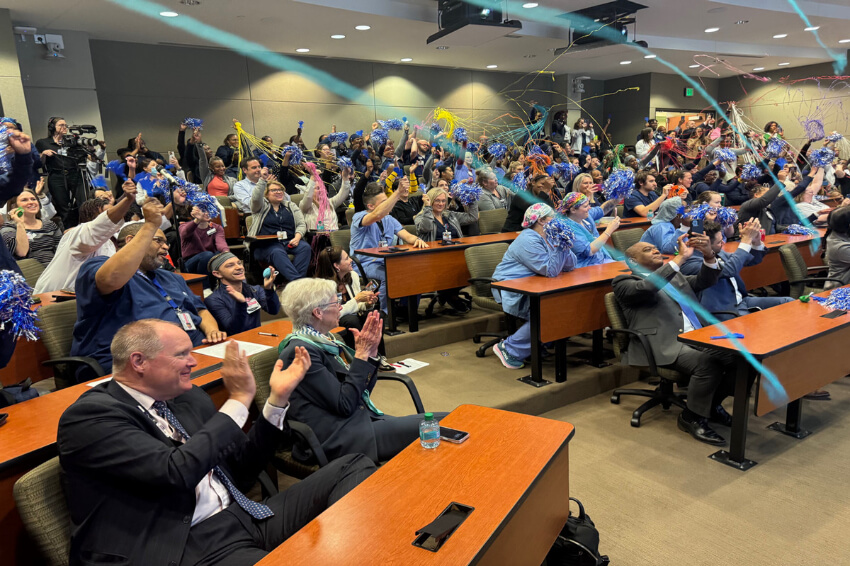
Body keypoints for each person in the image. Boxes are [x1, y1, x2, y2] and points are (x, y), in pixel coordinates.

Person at [58, 319, 375, 566]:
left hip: (244, 515)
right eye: (182, 354)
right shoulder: (90, 417)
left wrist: (277, 400)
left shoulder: (188, 398)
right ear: (138, 361)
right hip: (183, 543)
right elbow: (176, 473)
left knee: (353, 465)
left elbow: (242, 469)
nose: (193, 362)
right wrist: (238, 400)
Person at [278, 278, 444, 462]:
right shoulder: (300, 353)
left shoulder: (325, 341)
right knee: (445, 425)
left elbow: (358, 392)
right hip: (337, 438)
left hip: (357, 422)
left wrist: (370, 355)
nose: (341, 306)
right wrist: (361, 356)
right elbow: (346, 403)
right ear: (318, 312)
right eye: (336, 302)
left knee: (448, 424)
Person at [70, 199, 228, 380]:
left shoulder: (170, 277)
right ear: (131, 240)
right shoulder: (97, 266)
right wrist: (150, 225)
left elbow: (199, 309)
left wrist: (212, 332)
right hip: (135, 364)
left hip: (193, 352)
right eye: (158, 240)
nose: (166, 247)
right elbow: (111, 279)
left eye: (166, 242)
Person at [614, 235, 739, 445]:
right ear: (633, 261)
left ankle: (710, 406)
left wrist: (708, 254)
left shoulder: (674, 277)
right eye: (647, 249)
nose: (654, 250)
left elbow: (705, 280)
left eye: (655, 248)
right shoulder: (624, 282)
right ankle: (691, 417)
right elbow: (648, 287)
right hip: (663, 343)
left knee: (743, 358)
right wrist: (679, 258)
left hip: (697, 337)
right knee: (707, 364)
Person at [491, 204, 577, 368]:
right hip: (511, 288)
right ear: (542, 221)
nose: (557, 221)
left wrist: (565, 243)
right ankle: (509, 349)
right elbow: (551, 271)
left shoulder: (549, 237)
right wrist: (559, 245)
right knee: (548, 312)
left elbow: (570, 265)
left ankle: (541, 342)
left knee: (563, 305)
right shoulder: (527, 239)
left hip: (536, 283)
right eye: (553, 217)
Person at [34, 182, 137, 293]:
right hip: (50, 299)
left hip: (81, 297)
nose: (115, 217)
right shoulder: (76, 235)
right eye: (108, 213)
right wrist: (127, 200)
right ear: (93, 218)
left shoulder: (110, 242)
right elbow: (100, 227)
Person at [681, 218, 792, 318]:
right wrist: (746, 240)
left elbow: (751, 259)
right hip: (723, 311)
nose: (723, 243)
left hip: (742, 301)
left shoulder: (719, 252)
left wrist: (755, 241)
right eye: (719, 242)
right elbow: (729, 270)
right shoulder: (691, 262)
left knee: (789, 302)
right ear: (705, 244)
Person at [350, 183, 428, 312]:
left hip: (386, 260)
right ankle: (385, 313)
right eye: (385, 202)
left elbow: (407, 236)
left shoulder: (389, 219)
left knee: (414, 270)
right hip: (365, 263)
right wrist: (397, 193)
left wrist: (417, 240)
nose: (390, 204)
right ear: (371, 206)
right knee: (388, 275)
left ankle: (405, 309)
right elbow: (376, 215)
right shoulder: (359, 217)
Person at [414, 186, 479, 313]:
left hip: (456, 255)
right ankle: (450, 296)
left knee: (473, 269)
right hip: (433, 258)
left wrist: (472, 199)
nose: (441, 204)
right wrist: (427, 208)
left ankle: (447, 294)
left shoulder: (450, 215)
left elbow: (472, 217)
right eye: (437, 201)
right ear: (430, 201)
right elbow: (425, 228)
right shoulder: (420, 217)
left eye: (443, 201)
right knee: (453, 271)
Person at [249, 176, 311, 283]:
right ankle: (298, 282)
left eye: (280, 190)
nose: (279, 192)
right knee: (277, 251)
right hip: (267, 245)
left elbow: (301, 224)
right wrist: (262, 181)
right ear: (266, 194)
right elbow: (255, 199)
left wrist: (297, 238)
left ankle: (295, 282)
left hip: (289, 241)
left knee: (305, 247)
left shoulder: (290, 206)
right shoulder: (260, 207)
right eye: (274, 190)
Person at [205, 252, 280, 335]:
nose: (239, 267)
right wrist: (240, 304)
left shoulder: (254, 290)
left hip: (257, 339)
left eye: (239, 263)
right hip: (234, 344)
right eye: (230, 265)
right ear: (218, 274)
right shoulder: (213, 300)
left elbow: (274, 310)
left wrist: (268, 289)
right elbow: (235, 330)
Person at [35, 117, 88, 228]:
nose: (65, 127)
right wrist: (43, 153)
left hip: (74, 173)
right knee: (63, 205)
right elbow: (38, 163)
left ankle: (84, 226)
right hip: (56, 175)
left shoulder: (72, 141)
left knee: (82, 202)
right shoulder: (43, 142)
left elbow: (83, 156)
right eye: (61, 125)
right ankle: (68, 229)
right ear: (52, 127)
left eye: (65, 125)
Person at [2, 188, 62, 265]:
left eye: (33, 199)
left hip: (54, 267)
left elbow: (61, 250)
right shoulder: (8, 228)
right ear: (13, 206)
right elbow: (22, 252)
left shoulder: (50, 225)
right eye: (24, 200)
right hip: (29, 271)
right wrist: (20, 223)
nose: (31, 202)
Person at [559, 192, 619, 267]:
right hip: (586, 267)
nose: (589, 208)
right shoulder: (568, 228)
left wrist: (618, 197)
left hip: (600, 260)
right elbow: (589, 251)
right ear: (573, 210)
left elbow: (602, 210)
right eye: (585, 206)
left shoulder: (585, 216)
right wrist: (609, 230)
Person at [299, 162, 351, 231]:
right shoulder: (305, 205)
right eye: (317, 188)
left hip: (334, 236)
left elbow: (344, 193)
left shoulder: (330, 202)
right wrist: (313, 178)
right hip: (318, 237)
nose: (320, 190)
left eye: (321, 188)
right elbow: (308, 196)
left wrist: (345, 178)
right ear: (311, 190)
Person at [179, 205, 229, 275]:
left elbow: (221, 243)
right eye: (203, 211)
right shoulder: (184, 226)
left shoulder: (217, 227)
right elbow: (185, 233)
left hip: (210, 259)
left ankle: (220, 284)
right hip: (191, 262)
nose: (206, 213)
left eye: (208, 210)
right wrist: (197, 220)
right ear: (192, 213)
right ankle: (205, 285)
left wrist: (227, 254)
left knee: (220, 254)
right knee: (207, 255)